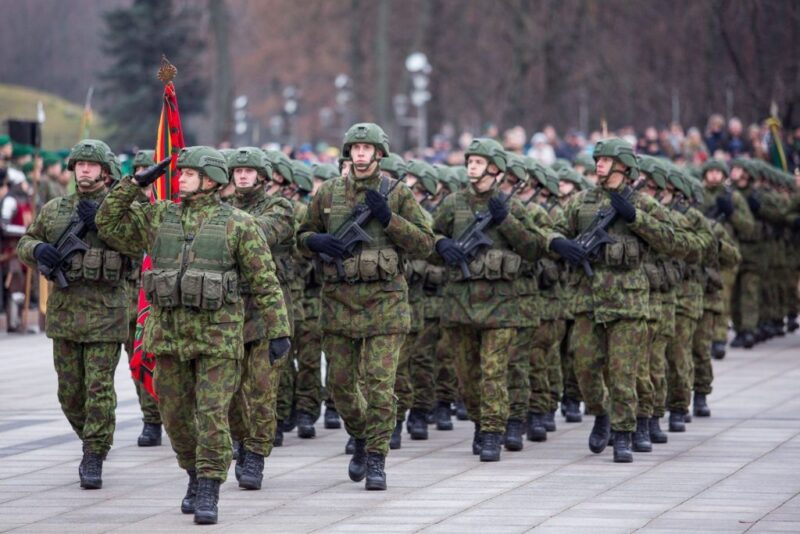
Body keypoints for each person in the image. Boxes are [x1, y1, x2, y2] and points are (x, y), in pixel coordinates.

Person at [95, 146, 291, 524]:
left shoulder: (238, 224)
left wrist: (278, 330)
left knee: (213, 413)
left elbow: (265, 282)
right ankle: (192, 471)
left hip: (218, 338)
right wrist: (134, 184)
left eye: (188, 173)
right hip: (169, 336)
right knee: (175, 416)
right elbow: (108, 222)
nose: (179, 178)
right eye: (180, 172)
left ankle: (209, 487)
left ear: (211, 180)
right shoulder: (159, 217)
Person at [297, 123, 434, 490]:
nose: (360, 153)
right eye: (355, 148)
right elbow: (300, 238)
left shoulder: (397, 193)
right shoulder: (328, 193)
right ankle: (360, 433)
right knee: (339, 385)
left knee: (379, 385)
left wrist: (389, 218)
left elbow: (425, 243)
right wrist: (317, 241)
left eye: (366, 148)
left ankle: (376, 456)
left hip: (385, 304)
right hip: (339, 303)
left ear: (379, 153)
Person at [548, 138, 691, 463]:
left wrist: (636, 218)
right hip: (587, 300)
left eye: (606, 159)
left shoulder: (642, 203)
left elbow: (677, 242)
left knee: (623, 371)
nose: (598, 163)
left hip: (628, 302)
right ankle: (601, 413)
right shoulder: (582, 201)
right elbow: (551, 229)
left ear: (624, 166)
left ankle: (624, 432)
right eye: (597, 159)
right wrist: (558, 243)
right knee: (584, 366)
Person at [17, 139, 129, 489]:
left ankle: (94, 452)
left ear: (105, 171)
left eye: (91, 165)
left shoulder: (120, 208)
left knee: (99, 389)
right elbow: (25, 242)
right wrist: (39, 250)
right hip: (65, 315)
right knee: (69, 393)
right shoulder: (55, 209)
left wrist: (103, 223)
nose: (84, 169)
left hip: (106, 315)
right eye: (79, 164)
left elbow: (139, 244)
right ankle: (91, 437)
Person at [433, 138, 549, 463]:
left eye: (479, 162)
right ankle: (479, 422)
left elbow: (534, 248)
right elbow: (426, 237)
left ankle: (493, 432)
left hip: (502, 305)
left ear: (495, 169)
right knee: (467, 375)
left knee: (494, 370)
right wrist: (442, 245)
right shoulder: (453, 203)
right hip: (461, 303)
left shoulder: (510, 205)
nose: (472, 166)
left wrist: (506, 220)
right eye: (470, 161)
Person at [224, 147, 295, 489]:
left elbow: (261, 232)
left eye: (249, 171)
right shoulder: (222, 207)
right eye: (237, 170)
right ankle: (241, 438)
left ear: (262, 176)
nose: (242, 175)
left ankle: (255, 453)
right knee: (229, 389)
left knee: (262, 389)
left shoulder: (279, 207)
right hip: (229, 310)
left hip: (267, 309)